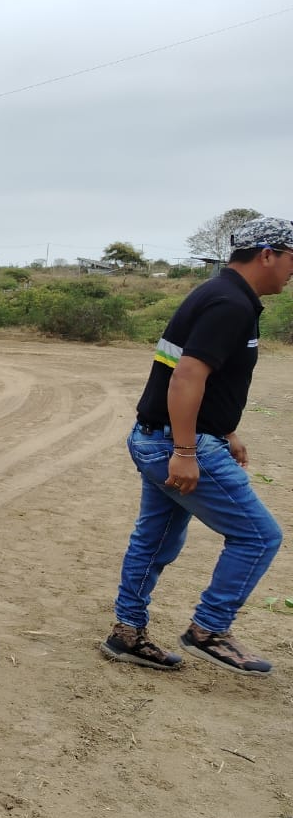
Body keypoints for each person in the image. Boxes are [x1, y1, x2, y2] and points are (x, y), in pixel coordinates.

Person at [101, 216, 293, 676]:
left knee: (155, 539)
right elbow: (186, 377)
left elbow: (198, 374)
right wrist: (186, 452)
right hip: (175, 443)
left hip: (158, 437)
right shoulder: (230, 304)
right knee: (258, 536)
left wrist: (226, 430)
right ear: (268, 254)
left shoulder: (218, 293)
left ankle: (127, 633)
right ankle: (209, 630)